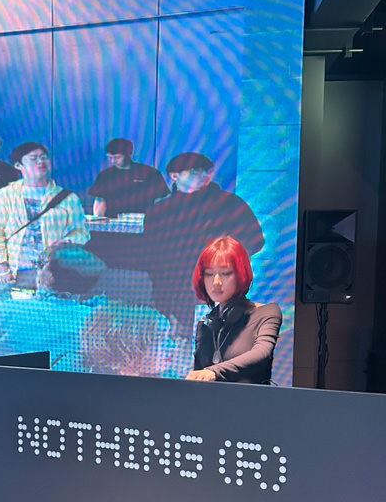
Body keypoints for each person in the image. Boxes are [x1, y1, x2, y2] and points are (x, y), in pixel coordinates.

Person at [137, 152, 265, 335]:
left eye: (208, 171)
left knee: (215, 343)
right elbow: (150, 254)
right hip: (171, 290)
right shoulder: (159, 210)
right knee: (175, 341)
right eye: (196, 171)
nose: (205, 175)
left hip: (216, 290)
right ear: (174, 176)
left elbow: (254, 240)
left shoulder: (230, 204)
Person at [0, 243, 110, 372]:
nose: (36, 269)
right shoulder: (99, 324)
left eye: (39, 264)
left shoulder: (2, 311)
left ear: (49, 276)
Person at [0, 142, 90, 289]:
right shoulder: (4, 196)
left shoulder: (68, 198)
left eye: (44, 157)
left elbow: (81, 232)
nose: (40, 162)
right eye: (33, 159)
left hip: (53, 274)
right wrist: (2, 267)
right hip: (16, 271)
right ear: (18, 165)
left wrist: (65, 243)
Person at [186, 236, 282, 384]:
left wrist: (213, 371)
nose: (216, 282)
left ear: (240, 275)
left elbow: (261, 352)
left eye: (225, 273)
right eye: (209, 274)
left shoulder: (268, 313)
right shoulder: (205, 325)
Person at [81, 302, 189, 378]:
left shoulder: (167, 375)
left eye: (168, 336)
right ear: (126, 348)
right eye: (160, 338)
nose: (173, 346)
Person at [88, 138, 169, 217]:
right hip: (113, 220)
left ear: (129, 154)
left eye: (117, 157)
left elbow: (161, 199)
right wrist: (98, 220)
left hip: (143, 220)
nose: (112, 161)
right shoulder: (105, 175)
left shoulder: (150, 173)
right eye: (110, 158)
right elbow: (100, 201)